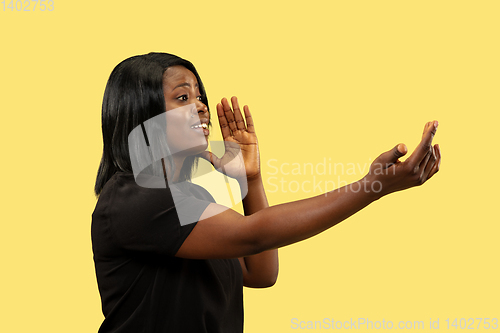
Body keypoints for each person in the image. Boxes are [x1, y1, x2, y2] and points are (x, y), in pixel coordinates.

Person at [92, 52, 441, 333]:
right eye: (183, 97)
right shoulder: (133, 198)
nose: (201, 107)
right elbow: (253, 235)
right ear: (142, 116)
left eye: (201, 97)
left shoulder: (189, 197)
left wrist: (250, 180)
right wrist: (372, 187)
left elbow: (260, 273)